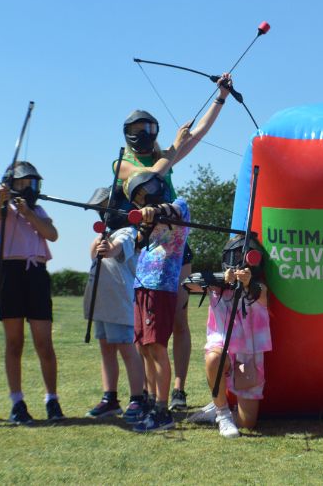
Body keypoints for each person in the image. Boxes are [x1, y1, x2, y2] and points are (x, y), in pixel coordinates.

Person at [115, 74, 232, 411]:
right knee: (148, 329)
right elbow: (153, 176)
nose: (147, 136)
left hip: (177, 245)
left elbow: (199, 133)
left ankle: (177, 389)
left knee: (178, 318)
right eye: (140, 130)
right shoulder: (123, 165)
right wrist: (175, 147)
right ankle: (153, 394)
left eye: (151, 129)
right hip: (149, 249)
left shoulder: (165, 155)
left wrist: (220, 97)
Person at [0, 161, 63, 425]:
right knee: (14, 342)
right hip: (10, 273)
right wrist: (4, 200)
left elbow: (52, 234)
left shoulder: (38, 210)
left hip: (36, 274)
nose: (29, 189)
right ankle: (17, 402)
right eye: (23, 184)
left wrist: (30, 214)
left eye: (33, 184)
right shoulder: (5, 209)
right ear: (12, 185)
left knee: (44, 342)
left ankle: (52, 399)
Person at [185, 235, 272, 438]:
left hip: (248, 359)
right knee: (214, 357)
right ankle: (222, 414)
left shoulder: (260, 289)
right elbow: (188, 283)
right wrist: (220, 278)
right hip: (222, 349)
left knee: (247, 423)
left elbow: (259, 292)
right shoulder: (216, 287)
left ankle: (213, 411)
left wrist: (248, 283)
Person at [125, 171, 190, 432]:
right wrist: (144, 223)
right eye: (139, 196)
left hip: (161, 285)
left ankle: (163, 410)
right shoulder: (143, 219)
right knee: (144, 348)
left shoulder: (179, 205)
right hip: (141, 284)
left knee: (158, 347)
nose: (145, 196)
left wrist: (153, 211)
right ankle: (151, 402)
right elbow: (139, 244)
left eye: (148, 188)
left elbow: (172, 211)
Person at [82, 187, 146, 423]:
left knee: (127, 350)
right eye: (100, 210)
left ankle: (138, 397)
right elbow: (94, 254)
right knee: (106, 348)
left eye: (105, 208)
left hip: (119, 302)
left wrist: (109, 247)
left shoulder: (128, 232)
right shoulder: (106, 234)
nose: (103, 214)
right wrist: (100, 241)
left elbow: (117, 249)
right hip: (102, 302)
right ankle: (110, 397)